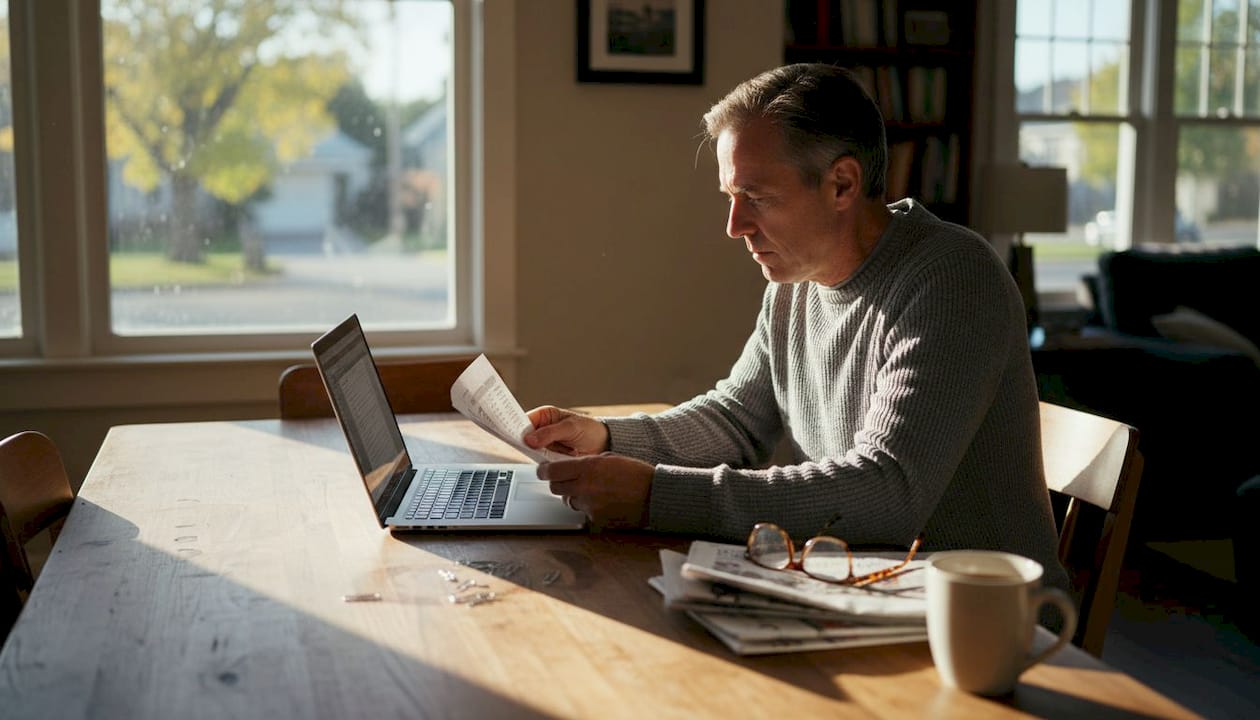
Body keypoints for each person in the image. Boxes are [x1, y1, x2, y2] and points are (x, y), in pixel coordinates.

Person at [523, 63, 1067, 589]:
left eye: (756, 197)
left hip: (984, 626)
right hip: (862, 589)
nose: (735, 226)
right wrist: (608, 437)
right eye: (731, 198)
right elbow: (737, 420)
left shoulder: (952, 277)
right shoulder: (794, 285)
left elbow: (889, 491)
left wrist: (655, 495)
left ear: (842, 184)